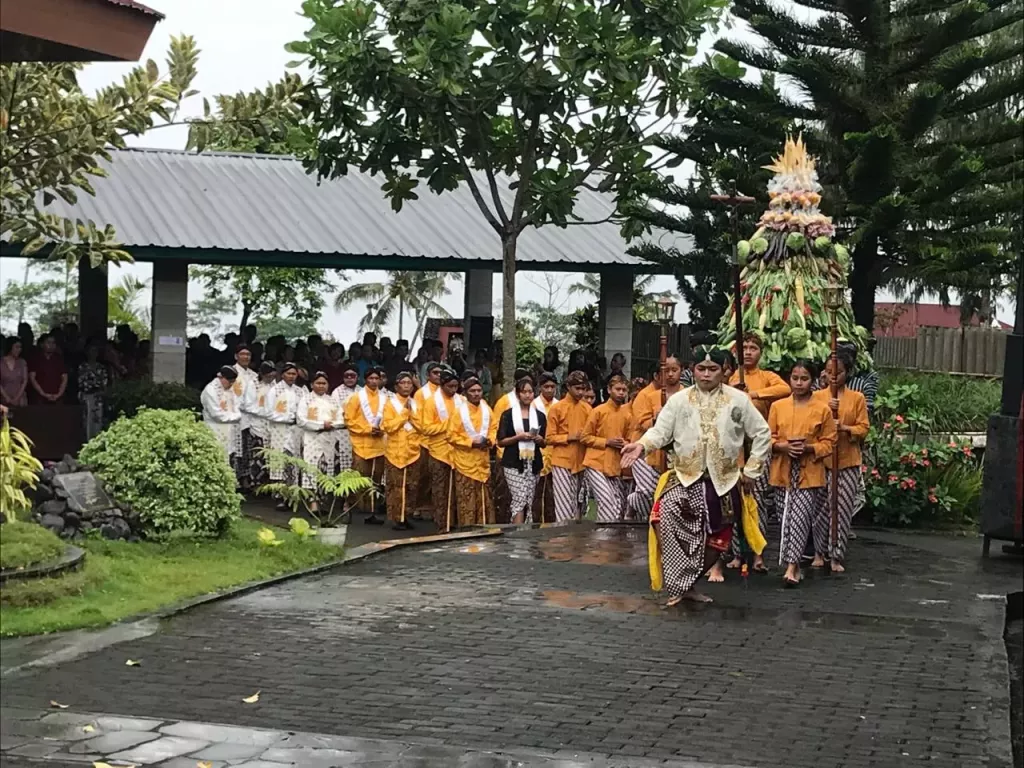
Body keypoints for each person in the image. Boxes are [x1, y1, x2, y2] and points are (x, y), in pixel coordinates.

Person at [620, 345, 771, 605]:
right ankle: (678, 585)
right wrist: (642, 445)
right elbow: (660, 431)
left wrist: (752, 470)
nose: (706, 374)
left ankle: (687, 585)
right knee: (661, 518)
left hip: (723, 482)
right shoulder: (678, 400)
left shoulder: (739, 400)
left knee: (718, 541)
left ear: (724, 371)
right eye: (701, 369)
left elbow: (762, 434)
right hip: (685, 477)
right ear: (693, 370)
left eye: (712, 369)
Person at [768, 359, 837, 587]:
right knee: (785, 517)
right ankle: (793, 564)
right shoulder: (778, 407)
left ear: (813, 381)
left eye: (804, 379)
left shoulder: (822, 409)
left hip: (810, 471)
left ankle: (791, 566)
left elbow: (830, 442)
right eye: (795, 378)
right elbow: (769, 437)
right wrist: (783, 447)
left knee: (799, 519)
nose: (799, 383)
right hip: (782, 470)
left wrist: (809, 448)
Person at [813, 352, 869, 572]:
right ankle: (819, 552)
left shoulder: (857, 398)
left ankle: (836, 554)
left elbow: (864, 428)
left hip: (847, 461)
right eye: (829, 372)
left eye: (839, 372)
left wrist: (845, 428)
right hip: (822, 460)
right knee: (819, 508)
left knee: (843, 507)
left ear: (848, 373)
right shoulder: (817, 397)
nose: (833, 376)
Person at [627, 356, 684, 521]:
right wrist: (658, 418)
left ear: (682, 371)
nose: (671, 374)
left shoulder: (688, 394)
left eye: (675, 370)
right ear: (658, 375)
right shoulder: (648, 396)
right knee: (651, 491)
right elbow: (643, 424)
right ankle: (636, 503)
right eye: (666, 371)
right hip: (649, 453)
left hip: (677, 452)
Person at [581, 374, 633, 522]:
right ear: (609, 390)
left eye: (624, 389)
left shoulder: (627, 415)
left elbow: (630, 441)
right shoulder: (598, 411)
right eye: (618, 389)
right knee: (606, 501)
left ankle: (604, 538)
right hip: (595, 462)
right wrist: (606, 442)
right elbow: (585, 437)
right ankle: (603, 540)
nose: (621, 392)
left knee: (616, 507)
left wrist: (624, 444)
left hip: (614, 466)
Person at [447, 376, 497, 528]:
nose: (476, 394)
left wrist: (490, 440)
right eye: (472, 391)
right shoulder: (458, 412)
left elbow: (494, 428)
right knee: (466, 500)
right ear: (466, 393)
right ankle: (468, 530)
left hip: (483, 462)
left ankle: (485, 529)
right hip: (465, 463)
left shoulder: (487, 409)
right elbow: (451, 436)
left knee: (484, 499)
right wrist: (470, 443)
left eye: (479, 390)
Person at [497, 377, 548, 524]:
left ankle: (526, 531)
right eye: (524, 392)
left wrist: (539, 439)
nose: (527, 395)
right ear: (518, 394)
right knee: (519, 497)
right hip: (513, 462)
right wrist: (518, 437)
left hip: (533, 463)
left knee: (529, 498)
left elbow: (544, 443)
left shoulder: (540, 416)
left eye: (530, 392)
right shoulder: (507, 415)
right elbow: (500, 442)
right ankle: (517, 531)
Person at [545, 371, 593, 522]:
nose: (580, 392)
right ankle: (563, 541)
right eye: (577, 388)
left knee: (579, 504)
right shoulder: (557, 408)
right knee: (563, 507)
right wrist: (569, 437)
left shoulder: (587, 409)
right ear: (568, 387)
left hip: (581, 462)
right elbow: (549, 438)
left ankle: (574, 540)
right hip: (562, 462)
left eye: (583, 389)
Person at [416, 367, 460, 531]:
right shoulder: (431, 402)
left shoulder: (461, 400)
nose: (453, 390)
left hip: (457, 451)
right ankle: (442, 523)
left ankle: (454, 521)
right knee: (440, 489)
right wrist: (447, 425)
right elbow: (426, 428)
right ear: (442, 385)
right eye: (450, 387)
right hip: (438, 452)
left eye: (456, 387)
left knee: (455, 489)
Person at [344, 365, 388, 523]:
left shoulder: (384, 398)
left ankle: (372, 510)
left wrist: (381, 429)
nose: (374, 381)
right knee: (358, 476)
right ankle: (348, 506)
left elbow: (389, 418)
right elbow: (349, 420)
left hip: (378, 444)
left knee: (376, 478)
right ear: (365, 379)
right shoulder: (356, 397)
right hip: (361, 444)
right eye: (371, 378)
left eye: (377, 378)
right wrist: (367, 429)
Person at [382, 371, 421, 529]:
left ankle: (407, 515)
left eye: (409, 383)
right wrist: (405, 413)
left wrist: (412, 417)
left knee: (411, 485)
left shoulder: (416, 403)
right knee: (397, 485)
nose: (406, 386)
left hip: (413, 449)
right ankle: (396, 518)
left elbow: (422, 426)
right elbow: (388, 426)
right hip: (395, 450)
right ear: (396, 386)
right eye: (403, 383)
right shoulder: (390, 404)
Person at [296, 371, 339, 512]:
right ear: (312, 384)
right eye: (318, 383)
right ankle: (312, 502)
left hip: (329, 438)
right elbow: (301, 420)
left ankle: (323, 502)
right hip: (311, 439)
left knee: (326, 470)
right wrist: (320, 425)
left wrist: (332, 425)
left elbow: (342, 419)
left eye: (324, 383)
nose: (321, 386)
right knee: (312, 469)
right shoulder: (306, 399)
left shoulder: (332, 400)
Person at [266, 362, 303, 503]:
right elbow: (269, 413)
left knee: (293, 460)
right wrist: (288, 418)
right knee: (279, 460)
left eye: (294, 374)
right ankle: (279, 494)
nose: (291, 376)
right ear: (282, 374)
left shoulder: (300, 391)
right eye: (289, 373)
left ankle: (292, 493)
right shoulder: (274, 391)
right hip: (278, 430)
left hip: (295, 431)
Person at [201, 366, 243, 473]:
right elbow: (217, 415)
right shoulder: (211, 390)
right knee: (217, 463)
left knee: (230, 462)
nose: (231, 384)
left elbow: (237, 405)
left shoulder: (229, 390)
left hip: (230, 432)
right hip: (215, 430)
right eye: (230, 381)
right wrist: (237, 416)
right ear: (222, 378)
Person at [531, 372, 559, 523]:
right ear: (540, 387)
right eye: (546, 386)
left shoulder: (559, 405)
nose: (549, 390)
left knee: (553, 495)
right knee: (537, 494)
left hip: (555, 454)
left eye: (552, 387)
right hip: (538, 453)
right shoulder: (533, 405)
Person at [245, 361, 277, 488]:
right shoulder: (253, 384)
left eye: (273, 376)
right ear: (263, 374)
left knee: (269, 455)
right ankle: (256, 483)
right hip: (257, 424)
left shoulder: (274, 384)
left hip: (271, 424)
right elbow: (248, 405)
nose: (271, 379)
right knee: (258, 455)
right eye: (268, 376)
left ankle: (267, 483)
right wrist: (264, 412)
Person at [77, 341, 109, 440]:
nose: (93, 353)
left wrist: (101, 391)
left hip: (98, 397)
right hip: (86, 397)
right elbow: (81, 383)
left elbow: (104, 382)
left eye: (95, 351)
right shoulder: (82, 367)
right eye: (91, 351)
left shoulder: (101, 367)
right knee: (87, 422)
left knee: (98, 421)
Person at [330, 364, 359, 473]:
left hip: (358, 431)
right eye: (347, 376)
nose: (350, 378)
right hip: (342, 431)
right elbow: (335, 412)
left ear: (357, 377)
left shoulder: (361, 391)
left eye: (353, 376)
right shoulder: (336, 392)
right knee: (343, 460)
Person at [28, 334, 67, 405]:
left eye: (53, 343)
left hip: (57, 397)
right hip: (39, 398)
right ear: (42, 344)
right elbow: (32, 378)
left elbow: (64, 377)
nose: (51, 345)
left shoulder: (59, 359)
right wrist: (43, 394)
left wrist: (59, 394)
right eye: (48, 342)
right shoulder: (36, 358)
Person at [1, 337, 29, 407]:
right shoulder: (1, 362)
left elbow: (24, 381)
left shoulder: (22, 362)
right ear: (10, 347)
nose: (19, 350)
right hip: (4, 398)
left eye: (20, 347)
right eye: (16, 347)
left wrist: (17, 398)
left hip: (20, 398)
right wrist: (7, 397)